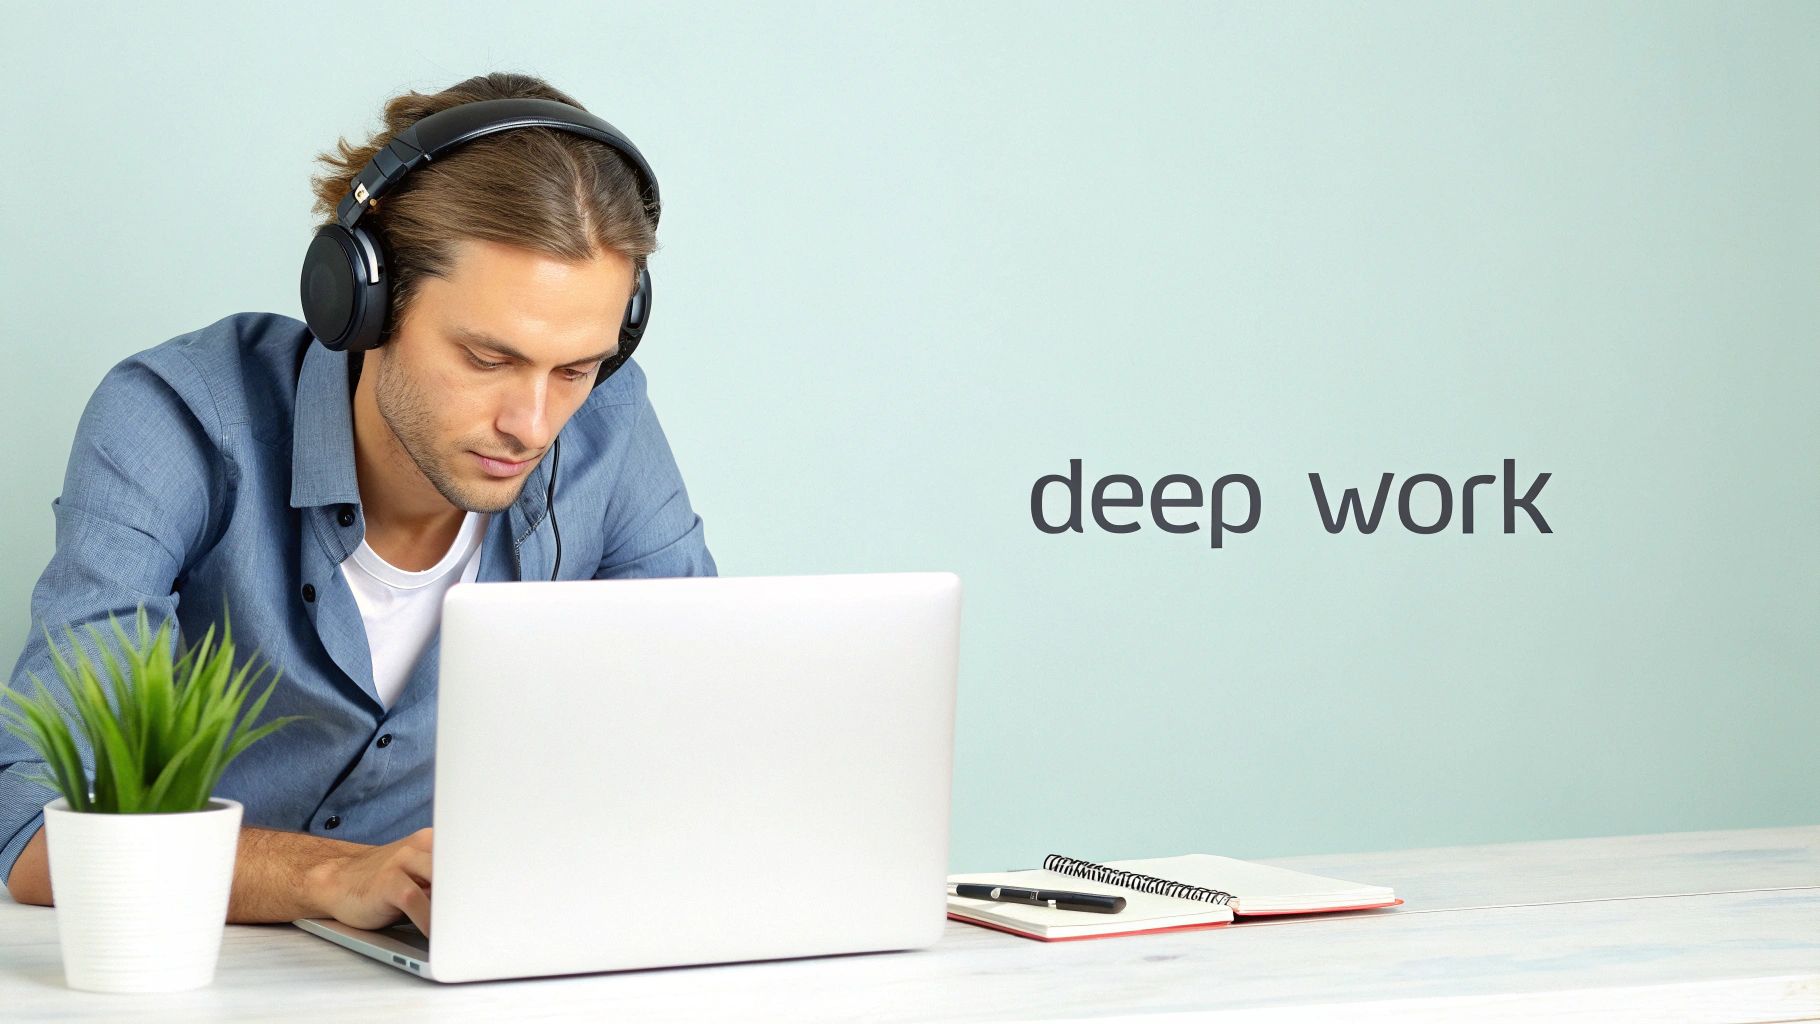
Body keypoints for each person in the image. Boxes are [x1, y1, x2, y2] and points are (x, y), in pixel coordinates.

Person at [0, 72, 717, 936]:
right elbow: (37, 830)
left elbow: (700, 746)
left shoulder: (609, 424)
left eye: (574, 368)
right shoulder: (179, 420)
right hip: (192, 969)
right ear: (363, 304)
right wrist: (333, 876)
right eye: (488, 359)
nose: (533, 424)